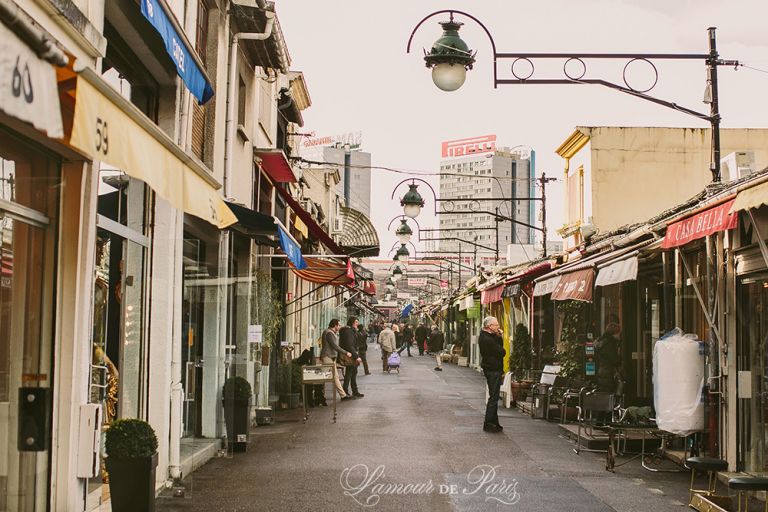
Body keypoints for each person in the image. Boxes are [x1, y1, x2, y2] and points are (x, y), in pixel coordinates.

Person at [479, 316, 505, 433]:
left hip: (491, 368)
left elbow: (499, 347)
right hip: (492, 369)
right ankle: (488, 423)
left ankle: (494, 422)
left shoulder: (487, 336)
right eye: (496, 325)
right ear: (489, 326)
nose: (498, 327)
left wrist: (498, 336)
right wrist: (500, 337)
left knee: (494, 395)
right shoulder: (487, 339)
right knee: (494, 397)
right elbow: (501, 351)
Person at [320, 319, 351, 399]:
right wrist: (346, 352)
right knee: (322, 376)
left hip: (330, 357)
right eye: (339, 325)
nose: (340, 326)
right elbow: (335, 346)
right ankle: (318, 394)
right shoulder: (329, 333)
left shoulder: (332, 333)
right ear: (335, 325)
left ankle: (343, 395)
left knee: (335, 377)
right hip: (327, 357)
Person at [339, 317, 364, 399]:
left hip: (351, 354)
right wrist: (356, 356)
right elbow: (350, 345)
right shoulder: (349, 332)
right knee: (349, 374)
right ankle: (346, 391)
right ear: (352, 323)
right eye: (356, 322)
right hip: (350, 355)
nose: (357, 324)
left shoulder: (350, 331)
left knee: (353, 373)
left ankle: (354, 391)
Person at [595, 321, 622, 394]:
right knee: (609, 392)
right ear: (615, 333)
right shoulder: (610, 343)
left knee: (603, 392)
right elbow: (614, 360)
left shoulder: (601, 342)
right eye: (619, 333)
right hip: (608, 372)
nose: (619, 335)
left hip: (601, 371)